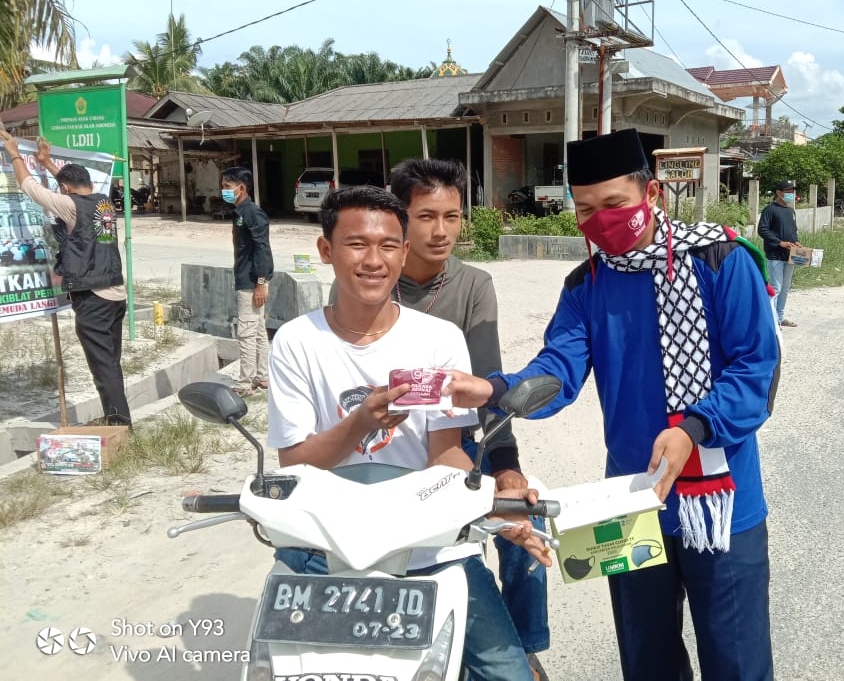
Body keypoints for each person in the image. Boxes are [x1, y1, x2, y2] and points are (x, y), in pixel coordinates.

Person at [447, 129, 781, 681]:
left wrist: (695, 427)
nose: (599, 220)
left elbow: (756, 372)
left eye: (614, 204)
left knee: (738, 661)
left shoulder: (721, 260)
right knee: (646, 660)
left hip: (723, 505)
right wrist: (495, 390)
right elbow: (558, 369)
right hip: (629, 503)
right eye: (584, 209)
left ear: (652, 196)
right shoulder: (587, 284)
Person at [266, 186, 543, 681]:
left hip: (430, 544)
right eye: (357, 245)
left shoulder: (437, 340)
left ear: (404, 251)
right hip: (327, 543)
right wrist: (359, 424)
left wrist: (495, 509)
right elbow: (296, 465)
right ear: (326, 250)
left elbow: (446, 455)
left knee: (509, 673)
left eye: (389, 245)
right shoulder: (296, 342)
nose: (374, 260)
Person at [388, 158, 551, 680]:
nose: (441, 232)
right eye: (426, 216)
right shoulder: (370, 277)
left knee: (528, 514)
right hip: (385, 447)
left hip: (460, 443)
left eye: (453, 216)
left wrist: (506, 464)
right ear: (399, 218)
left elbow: (489, 384)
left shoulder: (474, 285)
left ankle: (522, 643)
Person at [1, 130, 132, 426]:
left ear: (65, 188)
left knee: (103, 366)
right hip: (115, 293)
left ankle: (119, 423)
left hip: (94, 297)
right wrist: (48, 163)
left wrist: (13, 153)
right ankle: (117, 417)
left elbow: (28, 186)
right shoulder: (103, 202)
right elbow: (69, 186)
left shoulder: (71, 206)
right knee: (110, 362)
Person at [220, 167, 273, 396]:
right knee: (259, 330)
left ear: (241, 188)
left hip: (251, 281)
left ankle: (245, 383)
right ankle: (262, 377)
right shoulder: (240, 212)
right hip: (249, 278)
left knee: (247, 332)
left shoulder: (252, 213)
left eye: (227, 187)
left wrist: (261, 282)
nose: (223, 191)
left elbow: (263, 249)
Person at [758, 180, 801, 327]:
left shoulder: (790, 211)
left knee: (785, 287)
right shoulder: (770, 210)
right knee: (776, 287)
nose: (791, 194)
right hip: (775, 254)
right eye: (788, 191)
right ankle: (771, 319)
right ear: (779, 192)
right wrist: (779, 242)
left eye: (792, 191)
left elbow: (793, 230)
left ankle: (780, 317)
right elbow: (762, 230)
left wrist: (796, 243)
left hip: (790, 255)